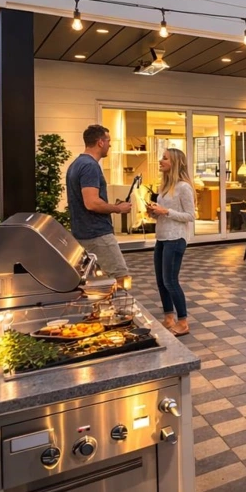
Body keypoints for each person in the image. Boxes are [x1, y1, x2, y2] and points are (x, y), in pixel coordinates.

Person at [66, 124, 133, 287]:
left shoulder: (76, 164)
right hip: (97, 234)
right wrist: (118, 208)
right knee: (120, 277)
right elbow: (92, 203)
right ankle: (118, 311)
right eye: (109, 140)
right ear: (100, 142)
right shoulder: (90, 166)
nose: (110, 144)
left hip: (83, 232)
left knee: (95, 281)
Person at [147, 148, 196, 335]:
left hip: (176, 238)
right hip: (162, 237)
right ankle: (169, 318)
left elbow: (190, 216)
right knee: (161, 281)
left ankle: (183, 322)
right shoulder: (165, 186)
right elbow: (164, 212)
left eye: (165, 158)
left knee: (170, 281)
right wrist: (154, 213)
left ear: (175, 163)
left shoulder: (184, 187)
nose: (160, 161)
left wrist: (165, 211)